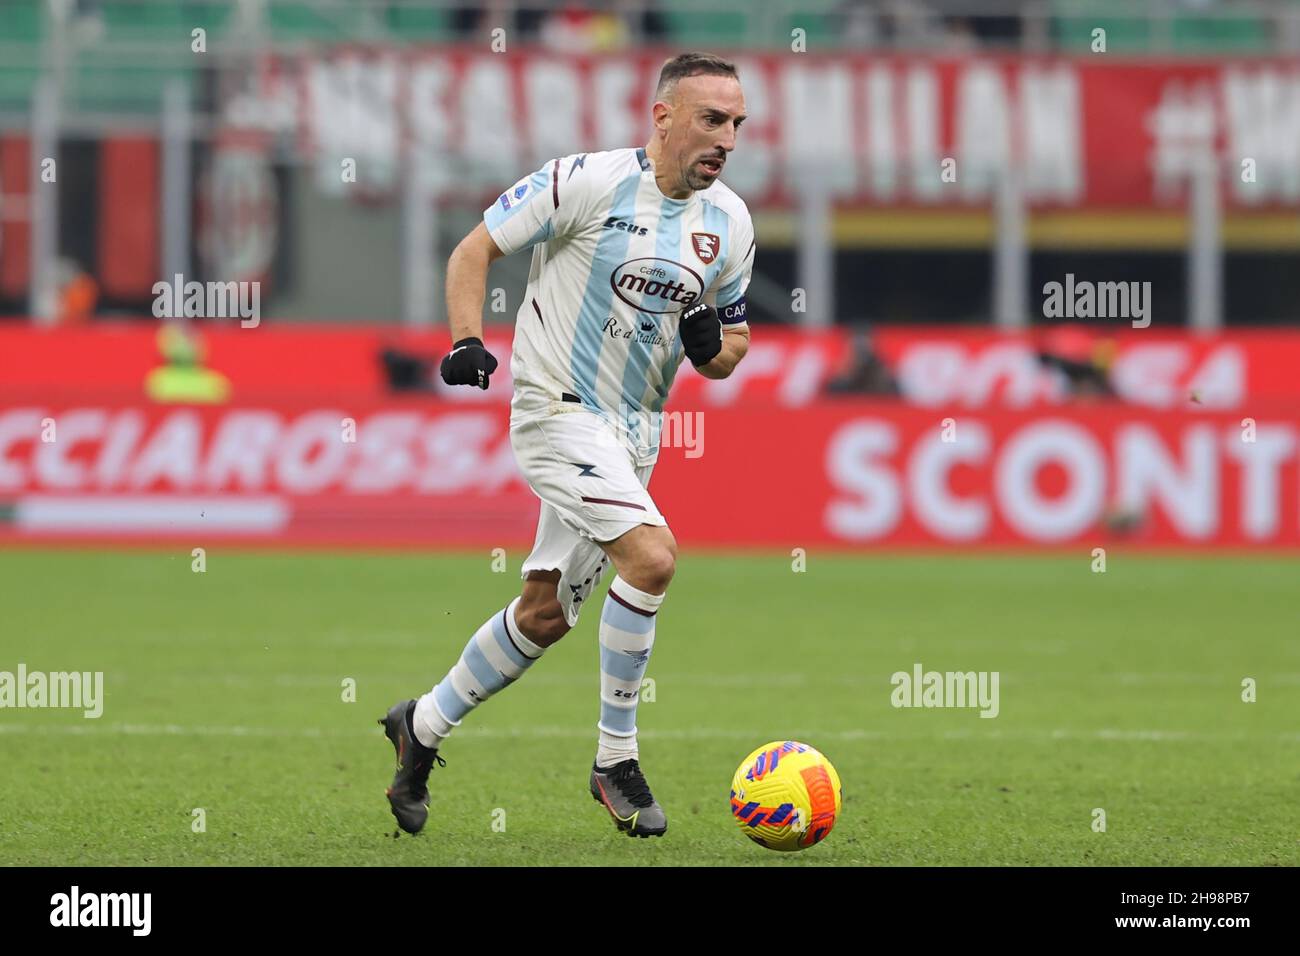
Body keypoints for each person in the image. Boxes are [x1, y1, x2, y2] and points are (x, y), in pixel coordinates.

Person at [379, 52, 754, 839]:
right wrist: (465, 340)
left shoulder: (732, 223)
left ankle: (422, 726)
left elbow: (730, 352)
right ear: (663, 116)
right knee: (652, 559)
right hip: (557, 412)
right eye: (711, 119)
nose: (726, 138)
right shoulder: (583, 181)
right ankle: (615, 758)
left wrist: (707, 341)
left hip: (637, 434)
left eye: (737, 124)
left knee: (544, 616)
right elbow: (473, 250)